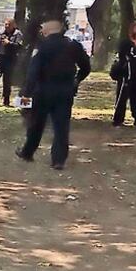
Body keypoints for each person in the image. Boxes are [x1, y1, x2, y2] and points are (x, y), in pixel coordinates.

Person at [16, 17, 91, 170]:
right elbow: (86, 67)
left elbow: (33, 72)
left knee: (36, 123)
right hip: (65, 91)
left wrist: (25, 93)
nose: (41, 31)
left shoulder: (43, 46)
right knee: (61, 126)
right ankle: (58, 160)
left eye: (43, 28)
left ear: (49, 30)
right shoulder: (73, 46)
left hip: (43, 91)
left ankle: (27, 152)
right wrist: (77, 80)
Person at [0, 19, 24, 106]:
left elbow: (20, 47)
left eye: (8, 25)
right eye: (5, 24)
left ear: (14, 25)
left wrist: (9, 43)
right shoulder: (1, 33)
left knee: (7, 81)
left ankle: (6, 99)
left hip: (10, 59)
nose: (6, 26)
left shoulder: (17, 34)